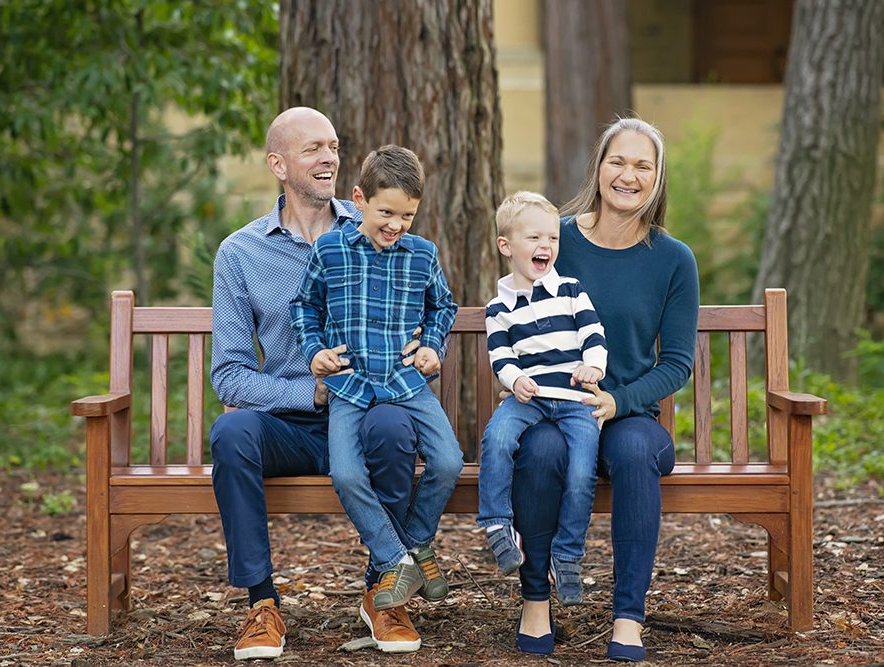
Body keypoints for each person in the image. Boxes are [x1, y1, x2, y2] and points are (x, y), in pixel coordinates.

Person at [209, 108, 434, 660]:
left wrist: (428, 348)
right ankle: (262, 605)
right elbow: (229, 373)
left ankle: (383, 589)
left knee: (393, 426)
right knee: (232, 434)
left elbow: (429, 309)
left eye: (333, 146)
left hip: (364, 417)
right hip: (291, 426)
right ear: (277, 164)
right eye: (312, 148)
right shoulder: (241, 254)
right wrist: (308, 392)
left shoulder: (378, 229)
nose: (328, 157)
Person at [509, 117, 699, 661]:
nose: (628, 175)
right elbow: (515, 318)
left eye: (643, 165)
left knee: (637, 450)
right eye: (618, 160)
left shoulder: (672, 259)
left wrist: (617, 400)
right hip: (556, 412)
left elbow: (677, 364)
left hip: (630, 416)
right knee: (541, 449)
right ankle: (536, 600)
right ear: (598, 166)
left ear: (658, 179)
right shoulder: (556, 240)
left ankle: (628, 617)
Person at [289, 144, 464, 651]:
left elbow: (443, 307)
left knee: (449, 462)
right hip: (350, 383)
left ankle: (413, 545)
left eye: (407, 215)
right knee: (344, 472)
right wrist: (316, 351)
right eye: (386, 212)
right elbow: (306, 307)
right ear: (359, 198)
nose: (396, 225)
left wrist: (432, 347)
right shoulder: (330, 250)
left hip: (406, 382)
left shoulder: (422, 254)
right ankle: (397, 560)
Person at [477, 191, 606, 609]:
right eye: (534, 238)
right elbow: (501, 356)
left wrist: (594, 368)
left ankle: (567, 555)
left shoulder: (570, 289)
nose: (546, 246)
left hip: (574, 399)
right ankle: (497, 524)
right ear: (506, 246)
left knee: (582, 472)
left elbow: (593, 335)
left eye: (552, 238)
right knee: (496, 439)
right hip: (528, 397)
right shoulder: (498, 307)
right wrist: (514, 381)